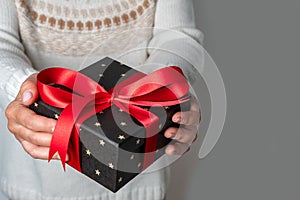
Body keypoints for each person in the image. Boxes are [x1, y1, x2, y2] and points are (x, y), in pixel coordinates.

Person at [0, 0, 203, 199]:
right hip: (32, 183)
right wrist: (22, 87)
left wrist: (163, 87)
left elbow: (178, 37)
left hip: (141, 186)